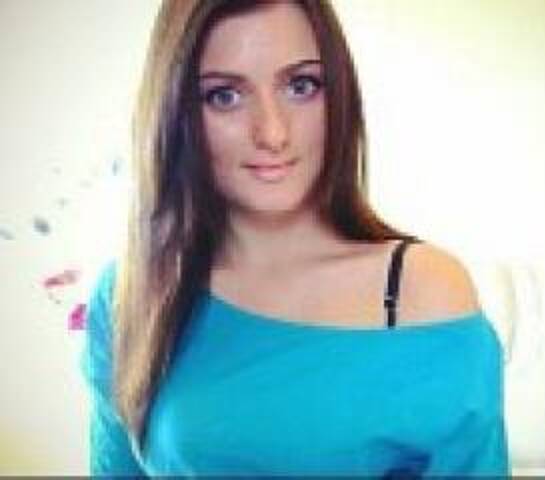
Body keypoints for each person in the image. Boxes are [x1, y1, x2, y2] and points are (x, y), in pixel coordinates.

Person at [82, 0, 510, 476]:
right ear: (174, 112)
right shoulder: (130, 294)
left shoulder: (422, 291)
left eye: (301, 86)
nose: (273, 132)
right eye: (224, 95)